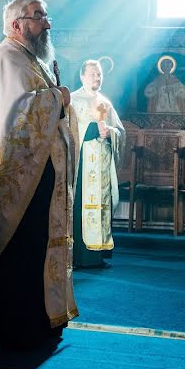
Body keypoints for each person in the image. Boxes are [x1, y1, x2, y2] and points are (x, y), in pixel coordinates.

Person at [0, 0, 78, 350]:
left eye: (46, 16)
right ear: (17, 24)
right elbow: (17, 115)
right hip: (19, 178)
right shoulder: (5, 60)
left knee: (37, 247)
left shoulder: (30, 60)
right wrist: (58, 98)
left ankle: (40, 318)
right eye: (38, 17)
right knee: (22, 249)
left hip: (38, 174)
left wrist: (55, 97)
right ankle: (16, 326)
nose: (46, 24)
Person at [70, 59, 124, 269]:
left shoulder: (104, 102)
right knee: (79, 205)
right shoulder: (73, 100)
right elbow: (66, 131)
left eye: (99, 74)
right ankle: (78, 256)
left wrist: (110, 132)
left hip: (101, 167)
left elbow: (120, 131)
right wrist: (91, 131)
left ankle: (97, 255)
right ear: (82, 76)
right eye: (92, 74)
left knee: (102, 206)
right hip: (81, 166)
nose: (96, 78)